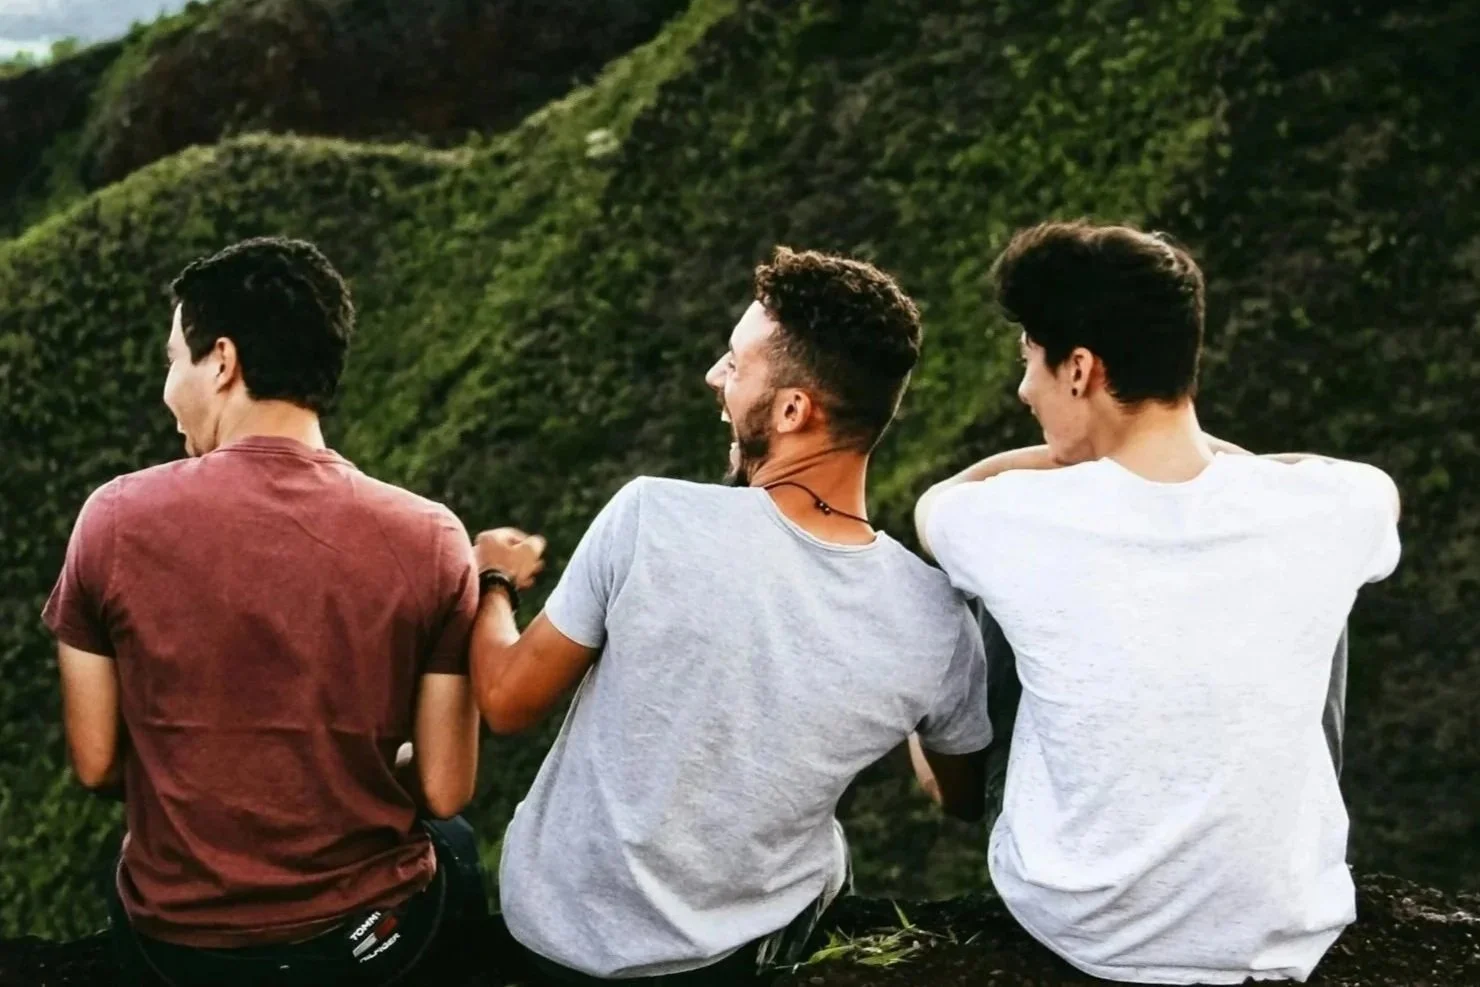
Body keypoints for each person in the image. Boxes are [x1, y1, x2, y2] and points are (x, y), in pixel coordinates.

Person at [468, 247, 992, 984]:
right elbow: (960, 797)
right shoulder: (936, 621)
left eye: (735, 364)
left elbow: (504, 700)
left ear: (791, 410)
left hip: (551, 940)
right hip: (730, 962)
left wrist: (493, 577)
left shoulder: (650, 516)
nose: (715, 377)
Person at [914, 221, 1402, 985]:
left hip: (1080, 920)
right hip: (1280, 927)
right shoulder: (1333, 507)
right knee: (1314, 589)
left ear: (1080, 369)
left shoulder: (1008, 516)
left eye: (1030, 364)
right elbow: (1360, 483)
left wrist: (1065, 459)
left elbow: (938, 505)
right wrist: (1212, 463)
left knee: (992, 594)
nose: (1022, 391)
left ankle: (965, 796)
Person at [42, 237, 488, 987]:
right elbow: (443, 786)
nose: (166, 389)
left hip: (177, 948)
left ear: (222, 360)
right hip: (363, 946)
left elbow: (96, 762)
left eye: (171, 361)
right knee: (459, 842)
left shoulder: (114, 519)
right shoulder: (433, 536)